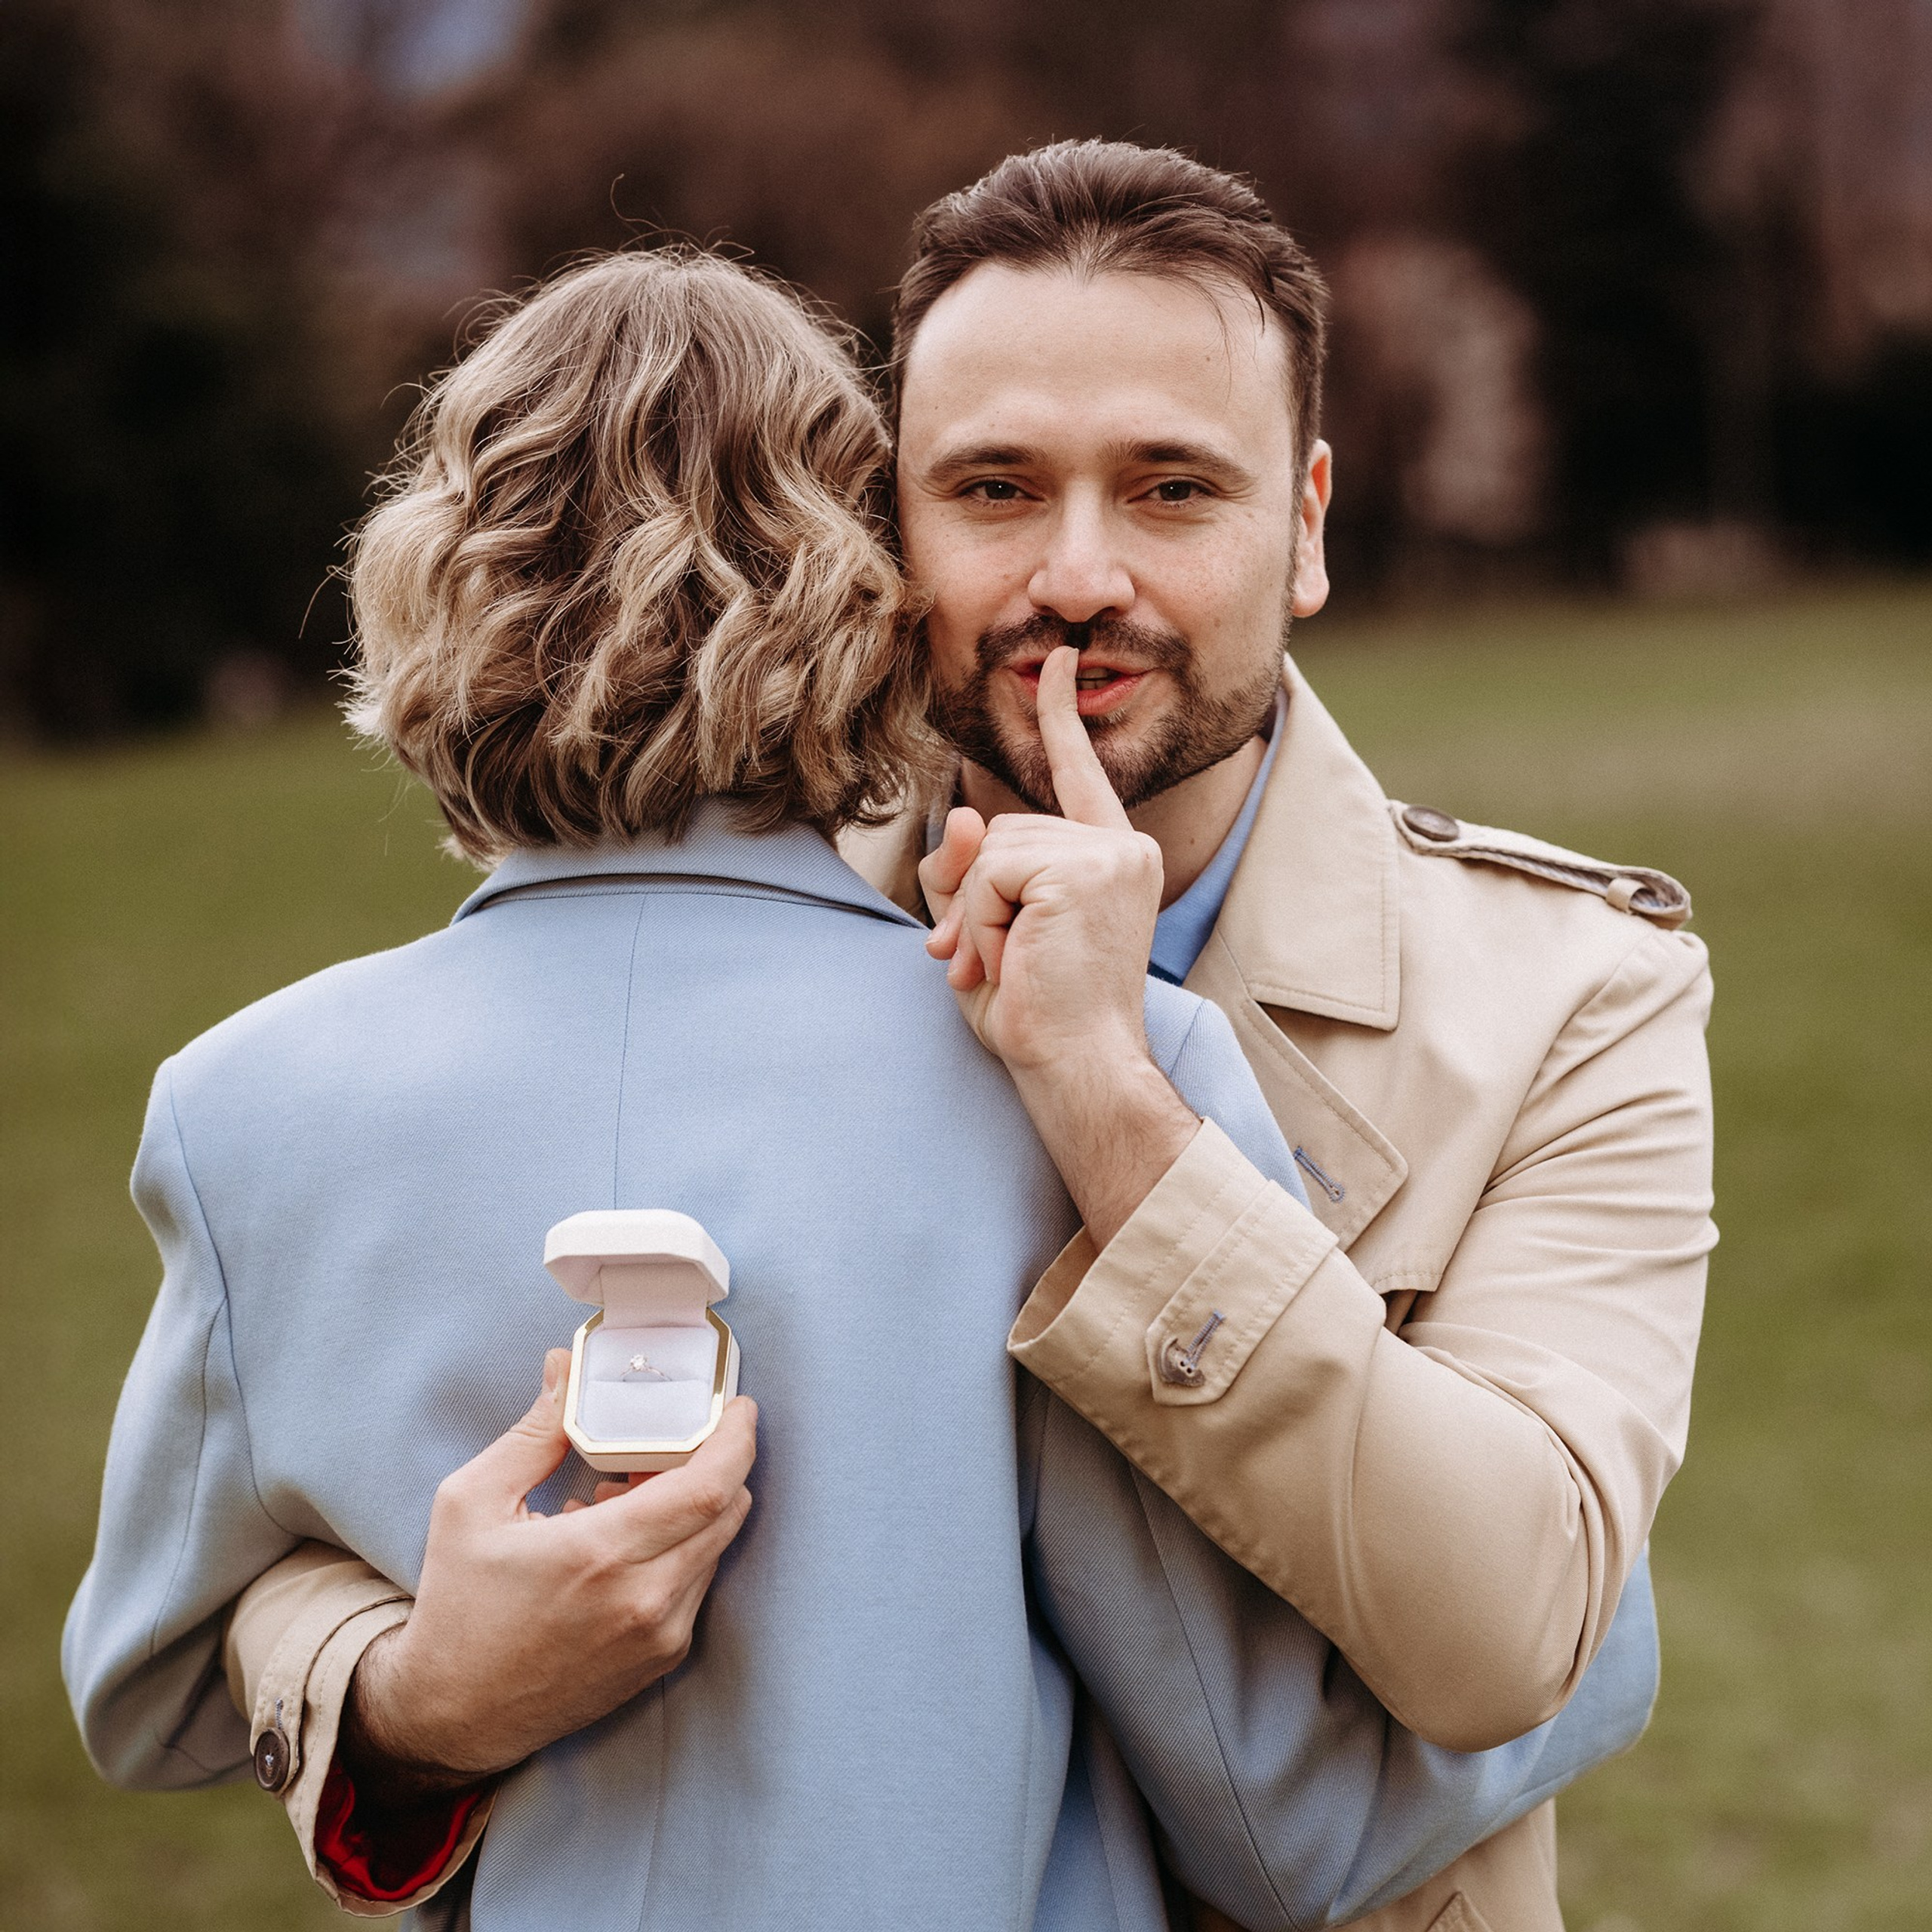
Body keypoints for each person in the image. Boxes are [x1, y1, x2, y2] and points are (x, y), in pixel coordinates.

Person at [63, 247, 1661, 1932]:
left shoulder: (242, 1103)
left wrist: (400, 1693)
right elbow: (1276, 1810)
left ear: (420, 583)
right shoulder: (1072, 1069)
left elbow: (147, 1685)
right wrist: (1597, 1628)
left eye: (1173, 486)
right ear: (867, 582)